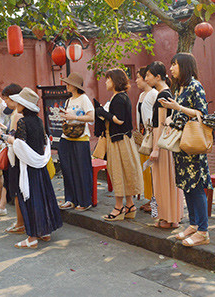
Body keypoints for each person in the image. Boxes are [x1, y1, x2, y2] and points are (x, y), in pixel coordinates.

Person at [158, 53, 212, 247]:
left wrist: (177, 107)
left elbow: (202, 114)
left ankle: (204, 231)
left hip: (192, 146)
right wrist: (171, 117)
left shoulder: (195, 86)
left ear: (185, 66)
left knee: (196, 187)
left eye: (174, 64)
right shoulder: (180, 87)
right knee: (187, 187)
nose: (171, 68)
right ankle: (194, 224)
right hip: (181, 145)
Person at [2, 87, 62, 249]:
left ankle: (32, 237)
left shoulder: (22, 122)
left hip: (28, 167)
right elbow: (42, 142)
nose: (17, 105)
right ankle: (45, 231)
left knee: (29, 200)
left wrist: (7, 138)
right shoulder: (38, 121)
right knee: (42, 197)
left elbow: (20, 145)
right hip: (40, 166)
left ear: (24, 106)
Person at [95, 68, 143, 222]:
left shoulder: (118, 98)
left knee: (118, 173)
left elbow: (119, 120)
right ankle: (129, 205)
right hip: (122, 140)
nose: (106, 82)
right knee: (125, 172)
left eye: (108, 79)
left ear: (115, 81)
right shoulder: (121, 97)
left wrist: (102, 112)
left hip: (118, 141)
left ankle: (119, 207)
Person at [145, 61, 183, 229]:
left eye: (148, 75)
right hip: (169, 144)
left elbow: (160, 124)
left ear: (157, 76)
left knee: (162, 181)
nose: (146, 79)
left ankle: (166, 218)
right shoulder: (168, 93)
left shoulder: (162, 95)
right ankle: (172, 217)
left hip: (162, 143)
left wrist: (155, 148)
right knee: (171, 181)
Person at [58, 72, 94, 211]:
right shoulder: (69, 100)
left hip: (80, 137)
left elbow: (91, 117)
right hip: (66, 137)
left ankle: (85, 200)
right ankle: (70, 198)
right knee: (67, 169)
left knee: (81, 170)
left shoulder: (83, 99)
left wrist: (75, 117)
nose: (66, 86)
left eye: (68, 83)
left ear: (75, 86)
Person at [0, 84, 23, 219]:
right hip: (12, 153)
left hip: (16, 154)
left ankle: (19, 222)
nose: (6, 103)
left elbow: (14, 137)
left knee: (15, 186)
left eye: (7, 99)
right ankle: (2, 206)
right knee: (8, 180)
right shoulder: (15, 113)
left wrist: (2, 135)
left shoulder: (18, 115)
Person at [135, 66, 158, 212]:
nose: (136, 80)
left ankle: (156, 200)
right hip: (143, 136)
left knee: (153, 169)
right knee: (146, 169)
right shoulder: (142, 95)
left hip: (151, 135)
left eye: (139, 77)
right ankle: (150, 198)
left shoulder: (154, 94)